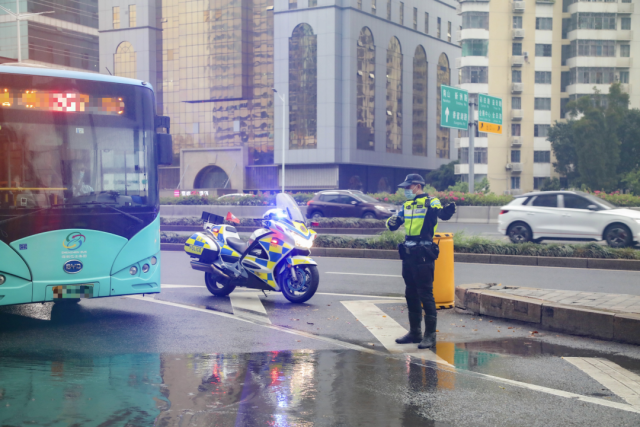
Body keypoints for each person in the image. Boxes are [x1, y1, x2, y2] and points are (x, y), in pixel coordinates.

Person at [386, 174, 456, 349]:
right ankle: (415, 332)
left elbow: (441, 214)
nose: (406, 191)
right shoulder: (407, 205)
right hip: (408, 254)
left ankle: (430, 336)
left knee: (426, 294)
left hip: (423, 253)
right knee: (410, 293)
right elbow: (394, 223)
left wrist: (445, 212)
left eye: (408, 187)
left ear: (418, 186)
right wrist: (391, 222)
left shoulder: (431, 202)